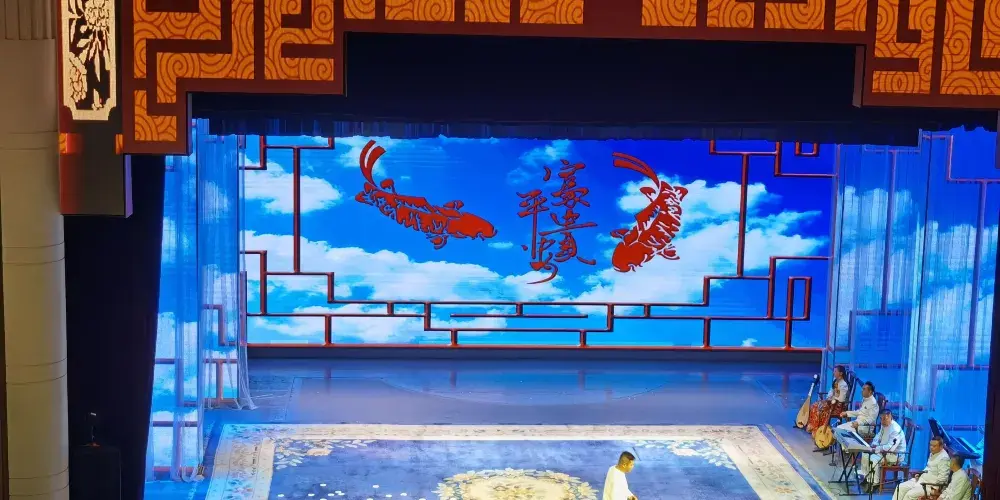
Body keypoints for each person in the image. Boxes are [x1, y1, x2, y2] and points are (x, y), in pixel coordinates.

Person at [861, 410, 905, 490]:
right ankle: (867, 478)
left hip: (895, 455)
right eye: (881, 419)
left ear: (890, 417)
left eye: (884, 419)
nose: (882, 421)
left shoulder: (895, 430)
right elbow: (878, 436)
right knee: (865, 454)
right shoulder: (884, 425)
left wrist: (876, 449)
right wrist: (874, 444)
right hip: (884, 451)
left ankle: (875, 483)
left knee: (873, 458)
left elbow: (891, 448)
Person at [807, 365, 849, 433]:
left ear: (841, 373)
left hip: (837, 405)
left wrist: (832, 399)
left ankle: (819, 430)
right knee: (814, 406)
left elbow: (841, 399)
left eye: (835, 371)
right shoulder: (835, 381)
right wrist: (829, 398)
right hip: (831, 402)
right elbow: (831, 391)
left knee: (820, 409)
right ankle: (813, 427)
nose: (833, 373)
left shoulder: (843, 384)